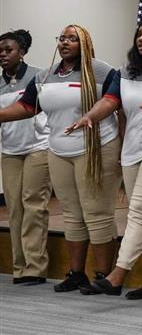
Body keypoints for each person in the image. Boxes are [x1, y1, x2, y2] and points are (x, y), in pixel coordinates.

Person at [65, 17, 142, 299]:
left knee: (140, 211)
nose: (141, 39)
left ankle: (117, 274)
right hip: (133, 150)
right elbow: (110, 101)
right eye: (139, 35)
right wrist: (89, 116)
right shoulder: (125, 72)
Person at [0, 24, 121, 294]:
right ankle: (76, 273)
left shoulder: (102, 71)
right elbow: (28, 106)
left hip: (96, 148)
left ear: (85, 43)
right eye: (62, 38)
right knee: (71, 214)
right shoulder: (44, 76)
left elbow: (113, 100)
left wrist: (90, 116)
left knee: (96, 212)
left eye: (72, 39)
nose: (65, 43)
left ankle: (104, 276)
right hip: (59, 150)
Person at [0, 30, 51, 285]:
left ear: (22, 52)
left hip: (38, 147)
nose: (3, 55)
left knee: (33, 205)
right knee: (15, 210)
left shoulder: (38, 77)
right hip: (10, 150)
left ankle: (35, 267)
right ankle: (19, 267)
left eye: (8, 50)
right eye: (0, 51)